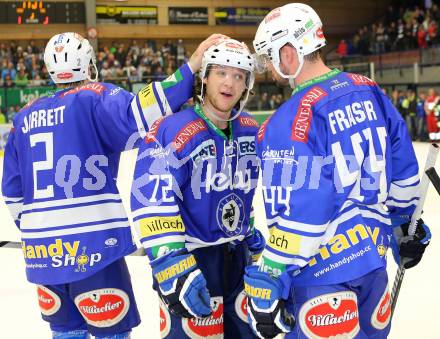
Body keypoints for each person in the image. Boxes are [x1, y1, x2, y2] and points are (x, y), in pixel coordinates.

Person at [1, 31, 225, 339]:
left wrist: (40, 234)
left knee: (66, 333)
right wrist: (192, 65)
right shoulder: (94, 97)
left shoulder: (22, 118)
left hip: (43, 255)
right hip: (94, 248)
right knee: (112, 333)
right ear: (89, 66)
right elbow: (142, 112)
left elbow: (12, 193)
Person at [245, 3, 431, 338]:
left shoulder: (289, 119)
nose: (269, 70)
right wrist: (405, 227)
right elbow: (404, 173)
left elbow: (304, 212)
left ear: (289, 54)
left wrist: (273, 270)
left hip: (321, 277)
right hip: (373, 267)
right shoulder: (369, 89)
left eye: (269, 58)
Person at [130, 39, 264, 338]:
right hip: (193, 261)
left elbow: (243, 193)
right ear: (203, 77)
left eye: (239, 75)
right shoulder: (173, 128)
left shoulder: (250, 129)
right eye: (221, 73)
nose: (229, 83)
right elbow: (151, 199)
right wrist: (171, 263)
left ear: (247, 85)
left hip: (238, 261)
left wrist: (252, 237)